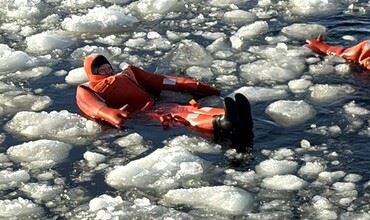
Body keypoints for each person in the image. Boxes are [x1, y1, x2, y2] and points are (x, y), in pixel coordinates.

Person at [75, 54, 252, 150]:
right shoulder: (89, 89)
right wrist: (108, 113)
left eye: (106, 65)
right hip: (141, 114)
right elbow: (91, 105)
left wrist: (191, 85)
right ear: (92, 72)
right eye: (100, 68)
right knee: (183, 116)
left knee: (188, 109)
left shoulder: (129, 74)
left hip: (159, 104)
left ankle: (229, 115)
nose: (106, 69)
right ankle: (221, 123)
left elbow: (159, 80)